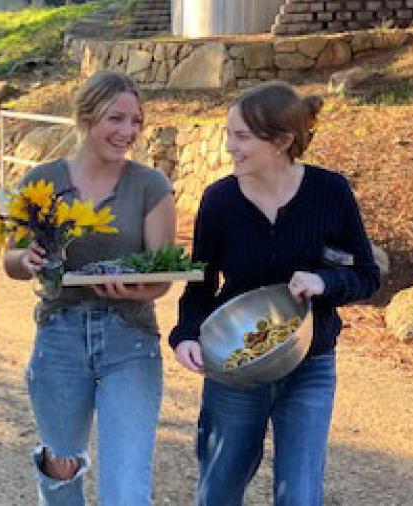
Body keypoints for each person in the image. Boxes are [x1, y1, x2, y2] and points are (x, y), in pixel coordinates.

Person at [169, 82, 380, 506]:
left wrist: (326, 283)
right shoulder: (219, 201)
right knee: (220, 490)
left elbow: (367, 275)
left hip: (311, 364)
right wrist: (187, 335)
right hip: (234, 366)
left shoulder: (330, 192)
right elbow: (200, 287)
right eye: (229, 135)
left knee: (300, 495)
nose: (230, 147)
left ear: (283, 141)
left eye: (242, 136)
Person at [3, 71, 176, 505]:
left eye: (135, 121)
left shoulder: (150, 186)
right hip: (58, 337)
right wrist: (26, 259)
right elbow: (11, 259)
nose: (127, 132)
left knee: (127, 487)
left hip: (130, 340)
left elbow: (162, 275)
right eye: (115, 119)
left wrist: (138, 290)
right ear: (85, 116)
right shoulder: (41, 181)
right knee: (60, 468)